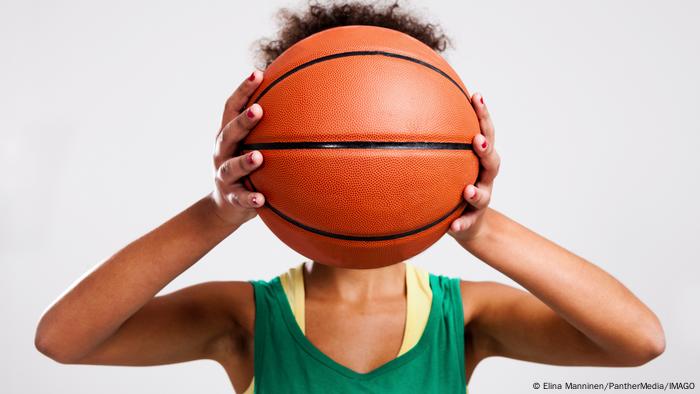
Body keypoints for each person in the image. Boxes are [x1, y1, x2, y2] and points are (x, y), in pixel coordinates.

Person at [34, 2, 665, 393]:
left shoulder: (465, 320)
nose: (354, 155)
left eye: (384, 134)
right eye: (330, 138)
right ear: (265, 141)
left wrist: (478, 222)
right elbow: (63, 340)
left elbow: (640, 341)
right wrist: (221, 208)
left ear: (447, 139)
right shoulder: (246, 322)